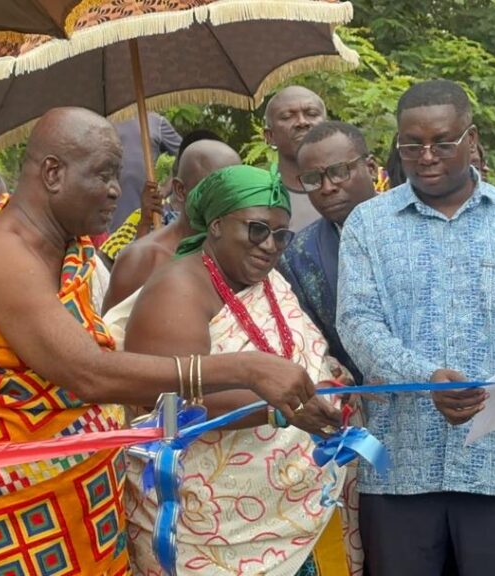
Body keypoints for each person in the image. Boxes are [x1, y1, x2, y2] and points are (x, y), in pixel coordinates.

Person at [0, 107, 320, 576]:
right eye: (104, 175)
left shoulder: (64, 248)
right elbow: (86, 372)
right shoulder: (2, 252)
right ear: (52, 173)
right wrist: (244, 368)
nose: (115, 190)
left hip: (77, 506)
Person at [336, 80, 495, 576]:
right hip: (400, 470)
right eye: (411, 145)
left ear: (471, 139)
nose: (426, 156)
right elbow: (357, 323)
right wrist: (425, 379)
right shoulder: (367, 223)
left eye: (442, 142)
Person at [119, 164, 354, 575]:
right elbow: (168, 405)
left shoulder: (267, 281)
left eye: (282, 235)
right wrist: (284, 410)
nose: (270, 246)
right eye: (257, 229)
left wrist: (330, 382)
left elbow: (297, 355)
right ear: (216, 225)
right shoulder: (176, 290)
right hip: (210, 532)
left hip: (294, 514)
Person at [278, 121, 378, 385]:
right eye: (312, 179)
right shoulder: (297, 256)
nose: (327, 187)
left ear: (370, 168)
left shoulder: (419, 227)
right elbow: (312, 343)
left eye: (339, 172)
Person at [102, 139, 241, 313]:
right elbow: (109, 336)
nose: (229, 201)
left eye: (235, 191)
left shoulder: (242, 256)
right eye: (217, 190)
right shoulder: (143, 259)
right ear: (181, 190)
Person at [99, 129, 223, 264]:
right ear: (180, 189)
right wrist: (144, 225)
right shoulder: (147, 217)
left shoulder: (228, 227)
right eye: (210, 185)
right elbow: (113, 270)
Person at [264, 86, 328, 231]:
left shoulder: (347, 187)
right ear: (270, 136)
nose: (302, 122)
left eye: (311, 114)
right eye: (287, 116)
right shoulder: (261, 195)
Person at [111, 112, 181, 230]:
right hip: (111, 223)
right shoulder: (102, 124)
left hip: (147, 221)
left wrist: (167, 187)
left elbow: (186, 153)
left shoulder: (155, 122)